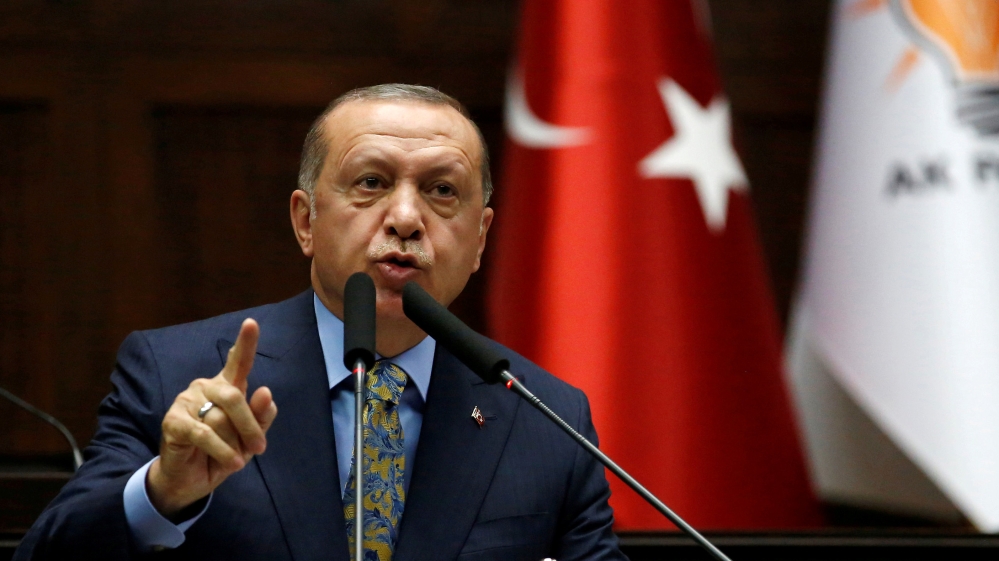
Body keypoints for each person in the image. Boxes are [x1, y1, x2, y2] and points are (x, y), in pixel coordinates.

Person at [15, 84, 626, 561]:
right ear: (305, 222)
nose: (406, 218)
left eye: (442, 190)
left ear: (480, 238)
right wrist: (162, 494)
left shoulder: (547, 418)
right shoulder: (176, 374)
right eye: (371, 182)